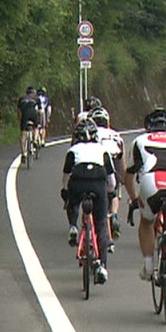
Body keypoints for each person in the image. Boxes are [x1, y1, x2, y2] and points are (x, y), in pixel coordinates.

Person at [123, 107, 166, 283]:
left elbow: (129, 175)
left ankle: (148, 266)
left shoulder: (139, 141)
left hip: (152, 182)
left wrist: (134, 199)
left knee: (146, 222)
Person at [62, 119, 115, 283]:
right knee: (100, 225)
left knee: (72, 200)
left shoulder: (72, 150)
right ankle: (102, 266)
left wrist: (66, 194)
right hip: (98, 185)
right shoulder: (102, 150)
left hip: (78, 183)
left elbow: (65, 178)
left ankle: (73, 226)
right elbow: (111, 181)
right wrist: (110, 194)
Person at [89, 107, 125, 239]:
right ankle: (114, 215)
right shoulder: (116, 135)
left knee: (100, 197)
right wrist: (124, 178)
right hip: (115, 161)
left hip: (100, 162)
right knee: (113, 193)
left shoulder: (91, 133)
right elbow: (122, 158)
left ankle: (106, 234)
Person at [17, 87, 43, 157]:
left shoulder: (22, 98)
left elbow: (19, 111)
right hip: (33, 113)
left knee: (23, 134)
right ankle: (35, 139)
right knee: (36, 127)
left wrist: (20, 120)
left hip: (25, 114)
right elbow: (41, 112)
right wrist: (39, 122)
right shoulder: (36, 98)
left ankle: (23, 154)